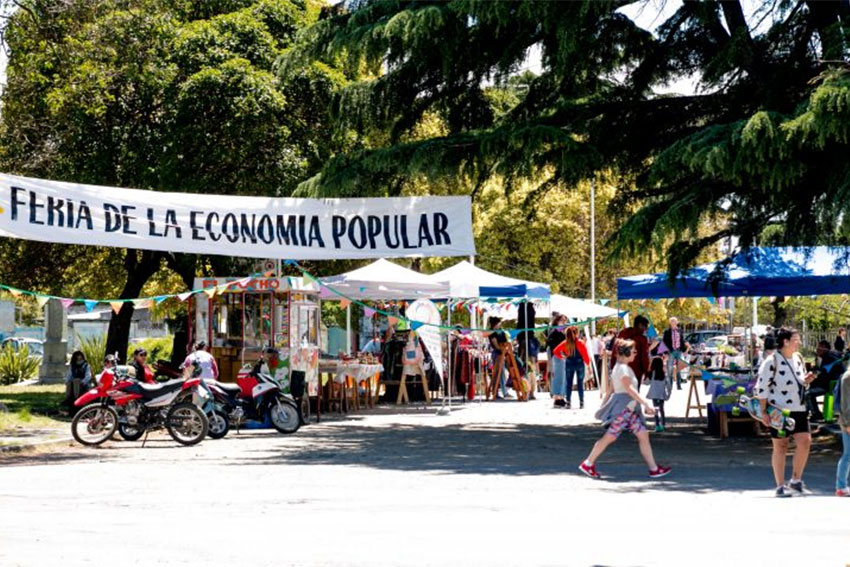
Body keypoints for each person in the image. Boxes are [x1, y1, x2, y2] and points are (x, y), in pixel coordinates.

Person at [578, 339, 671, 479]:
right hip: (624, 410)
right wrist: (645, 403)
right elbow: (629, 389)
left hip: (629, 410)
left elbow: (610, 390)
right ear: (626, 352)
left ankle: (654, 468)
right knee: (609, 437)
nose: (635, 353)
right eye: (634, 351)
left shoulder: (619, 367)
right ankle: (588, 463)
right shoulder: (623, 369)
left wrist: (603, 408)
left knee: (643, 435)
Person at [754, 327, 817, 497]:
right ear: (785, 341)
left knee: (805, 441)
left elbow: (799, 381)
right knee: (780, 446)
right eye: (796, 339)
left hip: (799, 407)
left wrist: (806, 380)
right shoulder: (772, 361)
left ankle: (796, 480)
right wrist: (763, 411)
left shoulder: (798, 358)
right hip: (778, 410)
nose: (799, 342)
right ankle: (780, 485)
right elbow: (762, 386)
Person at [552, 326, 590, 409]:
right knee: (580, 384)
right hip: (579, 364)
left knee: (569, 384)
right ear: (576, 333)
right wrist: (588, 364)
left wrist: (563, 357)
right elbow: (585, 356)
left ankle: (568, 402)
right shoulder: (580, 342)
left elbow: (555, 351)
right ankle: (581, 402)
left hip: (569, 364)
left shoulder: (565, 343)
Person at [614, 315, 651, 393]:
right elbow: (644, 357)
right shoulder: (642, 339)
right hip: (635, 371)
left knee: (621, 393)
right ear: (640, 325)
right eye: (646, 327)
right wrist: (646, 372)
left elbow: (615, 350)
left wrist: (613, 366)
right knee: (633, 394)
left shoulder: (622, 333)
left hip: (620, 368)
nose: (646, 329)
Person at [810, 340, 844, 422]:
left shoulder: (829, 358)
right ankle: (816, 413)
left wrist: (813, 379)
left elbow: (824, 376)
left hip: (830, 386)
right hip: (833, 384)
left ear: (824, 348)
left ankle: (816, 414)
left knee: (807, 394)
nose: (817, 349)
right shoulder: (830, 356)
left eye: (819, 347)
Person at [546, 314, 567, 407]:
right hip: (557, 356)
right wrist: (560, 353)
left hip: (563, 357)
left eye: (564, 321)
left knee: (563, 377)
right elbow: (551, 344)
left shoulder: (563, 332)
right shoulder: (554, 331)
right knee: (558, 376)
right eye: (562, 320)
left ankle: (561, 396)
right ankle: (556, 397)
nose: (563, 322)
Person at [487, 316, 511, 399]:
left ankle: (499, 392)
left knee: (500, 374)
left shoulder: (500, 331)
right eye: (499, 323)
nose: (500, 324)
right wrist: (502, 350)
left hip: (501, 353)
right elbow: (495, 343)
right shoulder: (492, 332)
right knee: (499, 374)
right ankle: (500, 392)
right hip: (497, 353)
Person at [646, 356, 672, 432]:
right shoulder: (664, 374)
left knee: (656, 409)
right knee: (662, 409)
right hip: (661, 394)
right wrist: (668, 394)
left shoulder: (651, 373)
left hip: (654, 394)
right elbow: (668, 385)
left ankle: (657, 425)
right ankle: (663, 425)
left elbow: (646, 382)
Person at [63, 350, 92, 415]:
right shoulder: (72, 366)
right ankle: (68, 398)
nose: (79, 360)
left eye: (80, 358)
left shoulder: (86, 365)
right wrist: (67, 382)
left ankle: (77, 397)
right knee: (70, 382)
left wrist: (83, 382)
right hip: (73, 384)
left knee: (77, 381)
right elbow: (69, 375)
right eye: (77, 359)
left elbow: (88, 376)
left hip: (83, 384)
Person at [835, 367, 850, 496]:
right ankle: (841, 486)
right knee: (848, 454)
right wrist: (847, 423)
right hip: (848, 421)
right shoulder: (847, 377)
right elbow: (845, 403)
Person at [662, 317, 687, 390]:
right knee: (670, 368)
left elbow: (682, 340)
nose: (673, 322)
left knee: (679, 368)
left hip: (679, 351)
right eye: (672, 321)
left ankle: (679, 385)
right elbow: (664, 342)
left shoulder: (680, 330)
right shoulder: (667, 331)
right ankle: (669, 384)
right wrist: (665, 352)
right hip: (671, 351)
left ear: (677, 322)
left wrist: (685, 349)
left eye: (674, 321)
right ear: (670, 323)